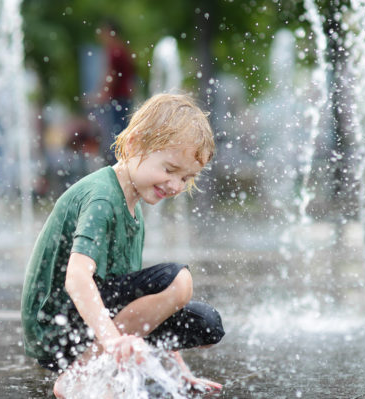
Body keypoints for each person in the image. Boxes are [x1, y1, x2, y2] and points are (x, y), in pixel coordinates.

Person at [20, 93, 225, 398]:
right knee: (179, 281)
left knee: (206, 325)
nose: (176, 185)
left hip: (87, 324)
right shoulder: (102, 198)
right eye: (169, 170)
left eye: (186, 177)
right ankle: (79, 375)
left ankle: (106, 361)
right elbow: (76, 278)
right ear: (133, 145)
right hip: (56, 331)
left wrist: (180, 374)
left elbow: (144, 303)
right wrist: (113, 341)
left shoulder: (134, 206)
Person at [96, 20, 135, 164]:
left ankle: (118, 167)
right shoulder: (123, 49)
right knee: (121, 132)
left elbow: (111, 76)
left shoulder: (114, 51)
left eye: (103, 33)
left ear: (110, 32)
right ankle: (123, 163)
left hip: (118, 98)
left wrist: (102, 94)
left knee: (116, 135)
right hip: (124, 97)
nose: (100, 37)